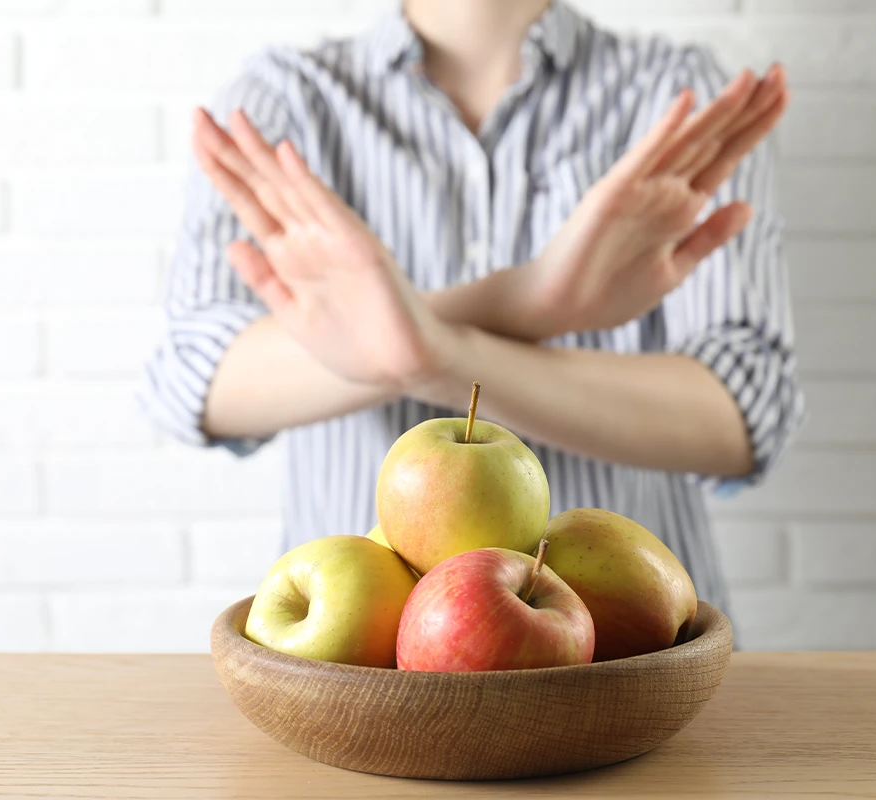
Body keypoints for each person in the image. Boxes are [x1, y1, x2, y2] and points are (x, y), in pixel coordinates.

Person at [140, 0, 804, 621]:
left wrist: (434, 355)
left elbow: (743, 410)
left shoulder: (675, 95)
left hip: (633, 666)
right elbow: (193, 376)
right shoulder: (285, 99)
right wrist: (523, 301)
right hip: (364, 669)